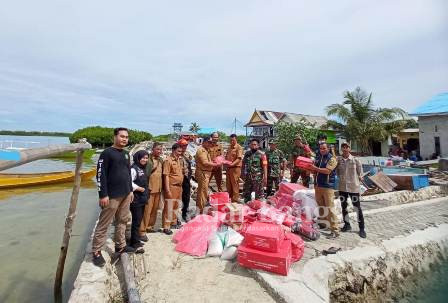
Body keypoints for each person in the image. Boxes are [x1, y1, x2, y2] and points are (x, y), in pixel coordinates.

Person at [92, 127, 135, 267]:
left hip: (126, 193)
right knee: (104, 222)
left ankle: (120, 245)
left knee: (122, 220)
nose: (124, 139)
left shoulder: (127, 154)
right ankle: (96, 251)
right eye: (122, 136)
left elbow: (128, 173)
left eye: (126, 137)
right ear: (115, 137)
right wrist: (102, 194)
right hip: (111, 195)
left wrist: (131, 191)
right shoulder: (106, 153)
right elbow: (100, 175)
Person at [308, 143, 339, 238]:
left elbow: (327, 171)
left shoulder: (332, 159)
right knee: (321, 206)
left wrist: (315, 168)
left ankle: (335, 230)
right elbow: (315, 170)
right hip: (318, 186)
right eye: (321, 148)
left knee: (330, 208)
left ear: (328, 149)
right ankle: (323, 224)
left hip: (327, 186)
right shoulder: (319, 158)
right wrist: (310, 169)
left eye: (324, 148)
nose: (322, 150)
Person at [336, 142, 366, 238]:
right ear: (341, 149)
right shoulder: (338, 160)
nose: (345, 149)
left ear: (349, 149)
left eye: (347, 147)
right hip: (342, 187)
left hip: (353, 187)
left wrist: (361, 177)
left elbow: (360, 173)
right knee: (343, 206)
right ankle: (347, 225)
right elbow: (336, 171)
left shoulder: (355, 160)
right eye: (343, 147)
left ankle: (361, 228)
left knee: (357, 207)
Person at [139, 142, 163, 237]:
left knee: (154, 210)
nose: (159, 151)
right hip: (149, 188)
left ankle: (150, 227)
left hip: (158, 188)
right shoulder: (147, 160)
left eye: (161, 149)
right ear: (153, 149)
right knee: (146, 211)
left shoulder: (161, 160)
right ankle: (142, 230)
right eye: (157, 149)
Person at [162, 143, 184, 235]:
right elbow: (166, 176)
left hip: (179, 187)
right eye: (178, 151)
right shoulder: (168, 160)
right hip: (171, 186)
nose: (180, 153)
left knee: (176, 206)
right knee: (169, 206)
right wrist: (167, 190)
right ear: (173, 150)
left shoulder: (179, 160)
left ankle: (173, 223)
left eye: (181, 151)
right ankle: (166, 226)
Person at [130, 150, 149, 253]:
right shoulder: (133, 169)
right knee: (136, 221)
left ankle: (135, 239)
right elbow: (129, 181)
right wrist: (138, 188)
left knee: (139, 220)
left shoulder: (142, 168)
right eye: (143, 158)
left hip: (142, 198)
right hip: (136, 199)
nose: (145, 160)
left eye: (146, 158)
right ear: (138, 158)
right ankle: (134, 243)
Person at [194, 137, 220, 213]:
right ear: (204, 142)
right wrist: (215, 164)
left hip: (206, 173)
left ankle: (200, 210)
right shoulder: (201, 150)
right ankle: (200, 211)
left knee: (203, 192)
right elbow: (205, 163)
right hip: (203, 173)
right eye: (209, 142)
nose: (210, 144)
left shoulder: (206, 150)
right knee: (202, 193)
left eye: (211, 142)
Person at [225, 134, 244, 203]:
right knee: (228, 184)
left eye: (233, 140)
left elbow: (238, 159)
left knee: (235, 184)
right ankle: (229, 199)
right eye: (231, 140)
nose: (232, 141)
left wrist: (231, 164)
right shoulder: (229, 147)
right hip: (229, 168)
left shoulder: (239, 147)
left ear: (236, 139)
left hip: (235, 168)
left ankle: (235, 200)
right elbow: (227, 157)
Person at [179, 139, 193, 221]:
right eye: (183, 145)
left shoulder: (187, 154)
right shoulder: (176, 154)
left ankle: (185, 213)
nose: (184, 147)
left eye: (185, 145)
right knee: (177, 197)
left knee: (186, 197)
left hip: (187, 178)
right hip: (179, 178)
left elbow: (190, 164)